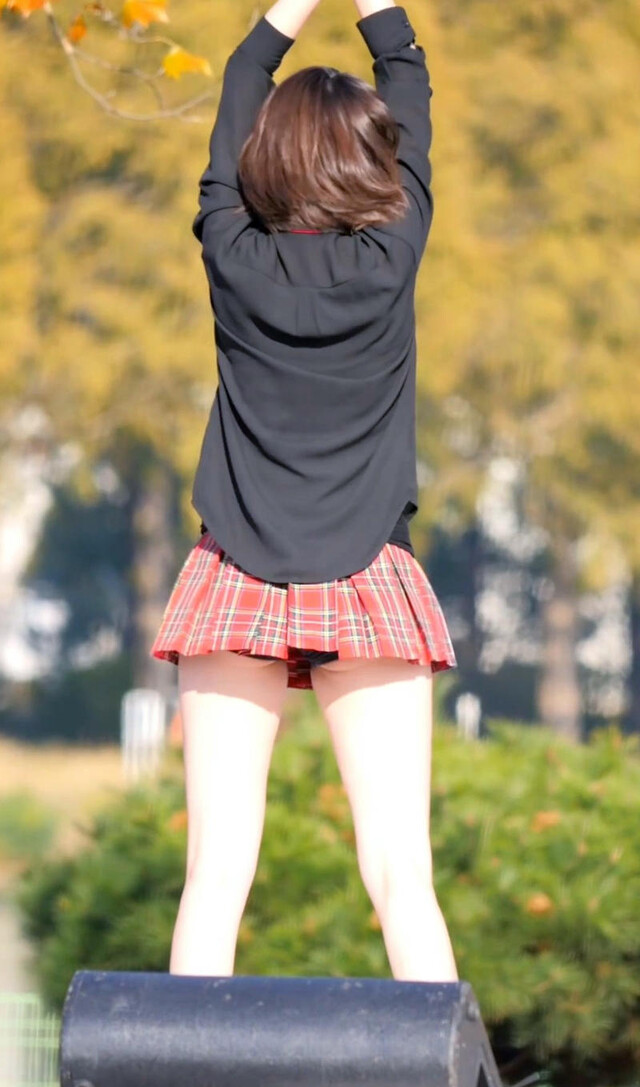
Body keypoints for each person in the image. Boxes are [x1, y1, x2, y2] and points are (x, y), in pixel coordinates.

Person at [151, 0, 459, 984]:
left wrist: (285, 12)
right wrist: (380, 12)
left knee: (214, 875)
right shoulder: (392, 253)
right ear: (375, 162)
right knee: (402, 877)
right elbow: (410, 84)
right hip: (368, 580)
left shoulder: (231, 253)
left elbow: (239, 89)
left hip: (233, 581)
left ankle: (181, 1079)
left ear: (265, 158)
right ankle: (449, 1078)